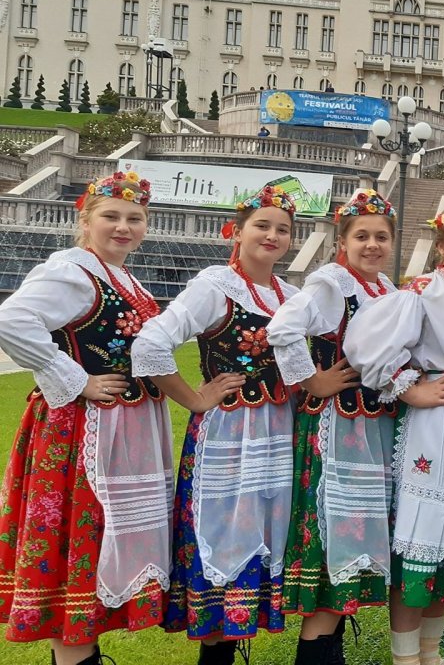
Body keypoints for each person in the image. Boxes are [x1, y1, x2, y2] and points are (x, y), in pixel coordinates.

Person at [0, 174, 194, 665]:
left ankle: (81, 652)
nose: (123, 226)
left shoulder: (118, 276)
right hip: (82, 430)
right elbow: (9, 319)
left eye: (134, 218)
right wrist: (74, 378)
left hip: (121, 431)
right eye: (110, 216)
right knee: (79, 541)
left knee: (99, 541)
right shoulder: (72, 270)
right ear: (83, 220)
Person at [133, 183, 299, 664]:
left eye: (282, 229)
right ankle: (215, 656)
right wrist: (194, 398)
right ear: (238, 231)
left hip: (276, 431)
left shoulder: (289, 294)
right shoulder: (213, 285)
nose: (272, 235)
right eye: (262, 226)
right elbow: (150, 344)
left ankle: (233, 646)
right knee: (223, 537)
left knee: (262, 533)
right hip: (230, 434)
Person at [343, 203, 444, 665]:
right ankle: (403, 657)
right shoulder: (422, 292)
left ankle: (432, 652)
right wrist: (408, 388)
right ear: (441, 247)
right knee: (425, 545)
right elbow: (364, 348)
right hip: (438, 426)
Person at [266, 189, 399, 662]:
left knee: (355, 539)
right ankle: (318, 653)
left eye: (381, 236)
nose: (372, 245)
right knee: (333, 542)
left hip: (373, 430)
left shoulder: (385, 288)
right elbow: (282, 327)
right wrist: (311, 381)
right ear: (342, 240)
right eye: (361, 236)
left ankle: (328, 647)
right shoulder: (331, 281)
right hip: (337, 431)